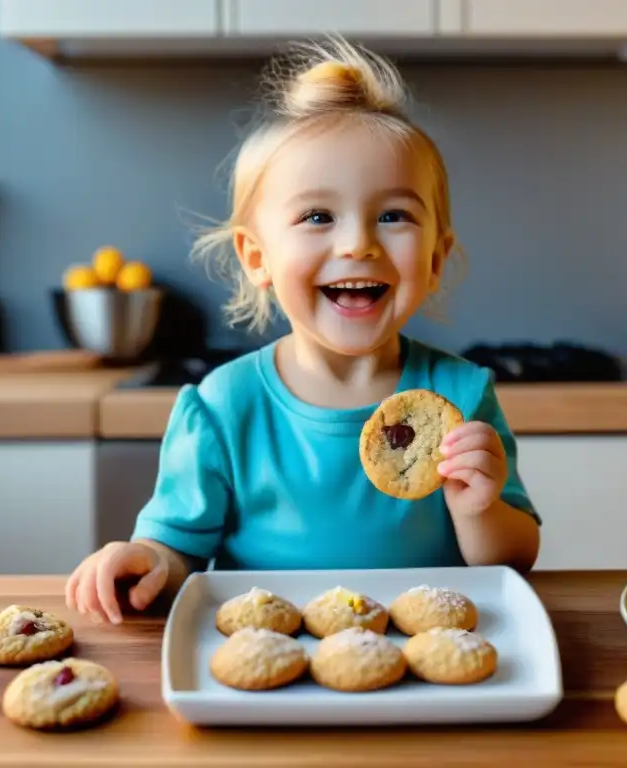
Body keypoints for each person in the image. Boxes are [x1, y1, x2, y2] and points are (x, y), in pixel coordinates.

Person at [65, 36, 541, 625]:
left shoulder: (462, 397)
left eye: (393, 215)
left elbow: (513, 561)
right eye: (318, 216)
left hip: (423, 670)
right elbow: (177, 551)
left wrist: (480, 509)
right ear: (256, 257)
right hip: (271, 666)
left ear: (437, 258)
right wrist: (142, 559)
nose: (358, 243)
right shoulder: (223, 406)